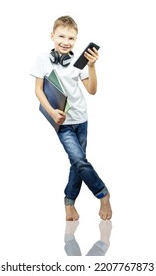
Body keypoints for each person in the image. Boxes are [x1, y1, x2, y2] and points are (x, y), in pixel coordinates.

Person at [30, 15, 112, 221]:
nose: (66, 42)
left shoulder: (80, 62)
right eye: (61, 36)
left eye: (71, 38)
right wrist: (51, 111)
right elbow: (38, 90)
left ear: (76, 40)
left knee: (78, 162)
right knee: (78, 160)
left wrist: (92, 67)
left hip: (81, 120)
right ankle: (103, 193)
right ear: (52, 36)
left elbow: (92, 91)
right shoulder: (42, 59)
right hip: (62, 123)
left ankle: (69, 203)